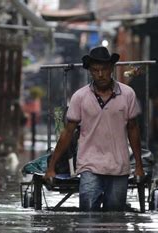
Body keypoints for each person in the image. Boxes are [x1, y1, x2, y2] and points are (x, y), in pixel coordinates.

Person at [44, 46, 144, 212]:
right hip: (89, 165)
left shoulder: (128, 94)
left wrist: (139, 166)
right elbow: (68, 132)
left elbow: (133, 129)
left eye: (104, 70)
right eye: (95, 70)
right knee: (88, 216)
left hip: (119, 166)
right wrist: (51, 167)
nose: (100, 75)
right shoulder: (80, 96)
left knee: (115, 217)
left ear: (111, 69)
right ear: (90, 71)